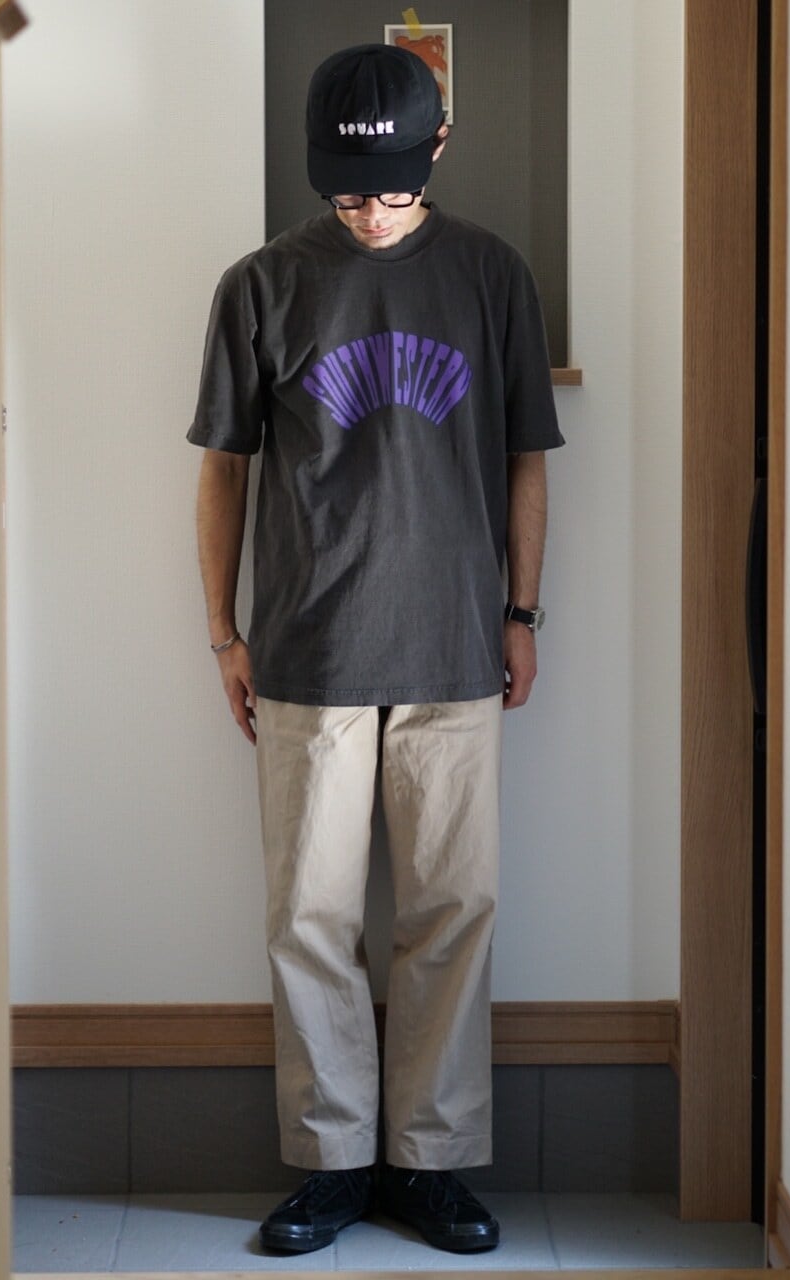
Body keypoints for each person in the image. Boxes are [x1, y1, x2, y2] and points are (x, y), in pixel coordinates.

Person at [187, 42, 564, 1255]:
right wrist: (222, 630)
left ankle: (430, 1158)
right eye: (346, 188)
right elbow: (222, 470)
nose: (369, 207)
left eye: (392, 183)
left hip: (454, 643)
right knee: (309, 913)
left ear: (436, 147)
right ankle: (332, 1159)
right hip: (306, 647)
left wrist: (521, 612)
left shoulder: (491, 275)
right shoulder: (260, 285)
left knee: (452, 906)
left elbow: (525, 455)